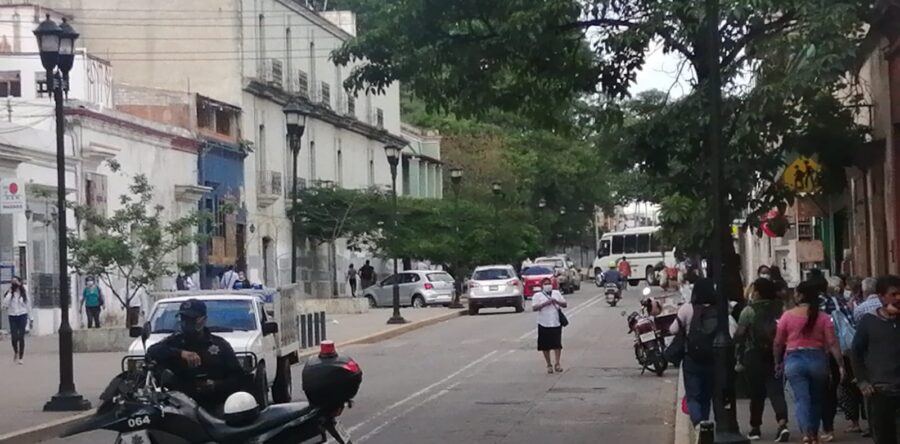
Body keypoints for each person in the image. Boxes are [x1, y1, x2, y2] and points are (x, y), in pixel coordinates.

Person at [774, 281, 845, 444]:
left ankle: (806, 433)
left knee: (801, 399)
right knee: (816, 399)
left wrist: (777, 361)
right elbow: (833, 343)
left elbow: (778, 342)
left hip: (794, 359)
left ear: (800, 295)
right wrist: (840, 364)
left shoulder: (787, 316)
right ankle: (814, 432)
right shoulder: (823, 317)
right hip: (818, 359)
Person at [147, 299, 246, 413]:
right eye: (184, 319)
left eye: (191, 319)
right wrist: (180, 353)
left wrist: (215, 385)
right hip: (181, 408)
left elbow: (238, 378)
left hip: (215, 406)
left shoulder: (220, 345)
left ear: (203, 320)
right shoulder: (174, 342)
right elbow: (152, 352)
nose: (186, 323)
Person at [734, 278, 790, 441]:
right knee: (776, 391)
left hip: (754, 355)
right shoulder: (781, 308)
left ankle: (755, 427)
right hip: (777, 353)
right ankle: (782, 422)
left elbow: (739, 334)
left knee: (756, 394)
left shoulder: (749, 310)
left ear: (757, 292)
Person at [850, 275, 900, 444]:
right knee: (884, 437)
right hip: (880, 391)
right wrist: (863, 381)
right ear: (881, 297)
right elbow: (855, 352)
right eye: (893, 294)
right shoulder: (869, 321)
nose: (898, 298)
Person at [670, 278, 718, 426]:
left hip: (692, 359)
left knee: (693, 395)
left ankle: (698, 423)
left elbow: (673, 330)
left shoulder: (687, 309)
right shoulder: (719, 309)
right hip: (713, 359)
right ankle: (705, 421)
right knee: (706, 395)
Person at [532, 278, 567, 374]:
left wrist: (556, 302)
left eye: (549, 284)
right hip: (544, 322)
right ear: (542, 285)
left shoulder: (556, 293)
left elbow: (564, 304)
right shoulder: (537, 295)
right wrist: (545, 304)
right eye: (546, 284)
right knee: (545, 346)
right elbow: (534, 308)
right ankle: (548, 364)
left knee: (557, 344)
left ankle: (557, 363)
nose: (548, 285)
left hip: (555, 322)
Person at [2, 276, 31, 365]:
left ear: (20, 282)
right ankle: (16, 351)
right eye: (13, 282)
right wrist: (10, 293)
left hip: (22, 315)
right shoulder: (10, 293)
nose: (14, 284)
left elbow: (28, 305)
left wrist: (31, 318)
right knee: (14, 337)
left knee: (21, 336)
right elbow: (4, 305)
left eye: (16, 282)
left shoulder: (24, 292)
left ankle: (21, 357)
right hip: (13, 316)